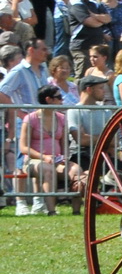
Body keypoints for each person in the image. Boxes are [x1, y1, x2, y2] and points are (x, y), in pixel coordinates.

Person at [15, 84, 74, 214]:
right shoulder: (30, 119)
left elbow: (64, 144)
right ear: (48, 99)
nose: (62, 101)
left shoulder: (61, 118)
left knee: (76, 170)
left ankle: (78, 211)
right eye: (59, 98)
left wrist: (65, 158)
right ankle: (51, 210)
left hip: (57, 160)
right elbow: (24, 147)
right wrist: (44, 157)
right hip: (32, 161)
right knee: (48, 170)